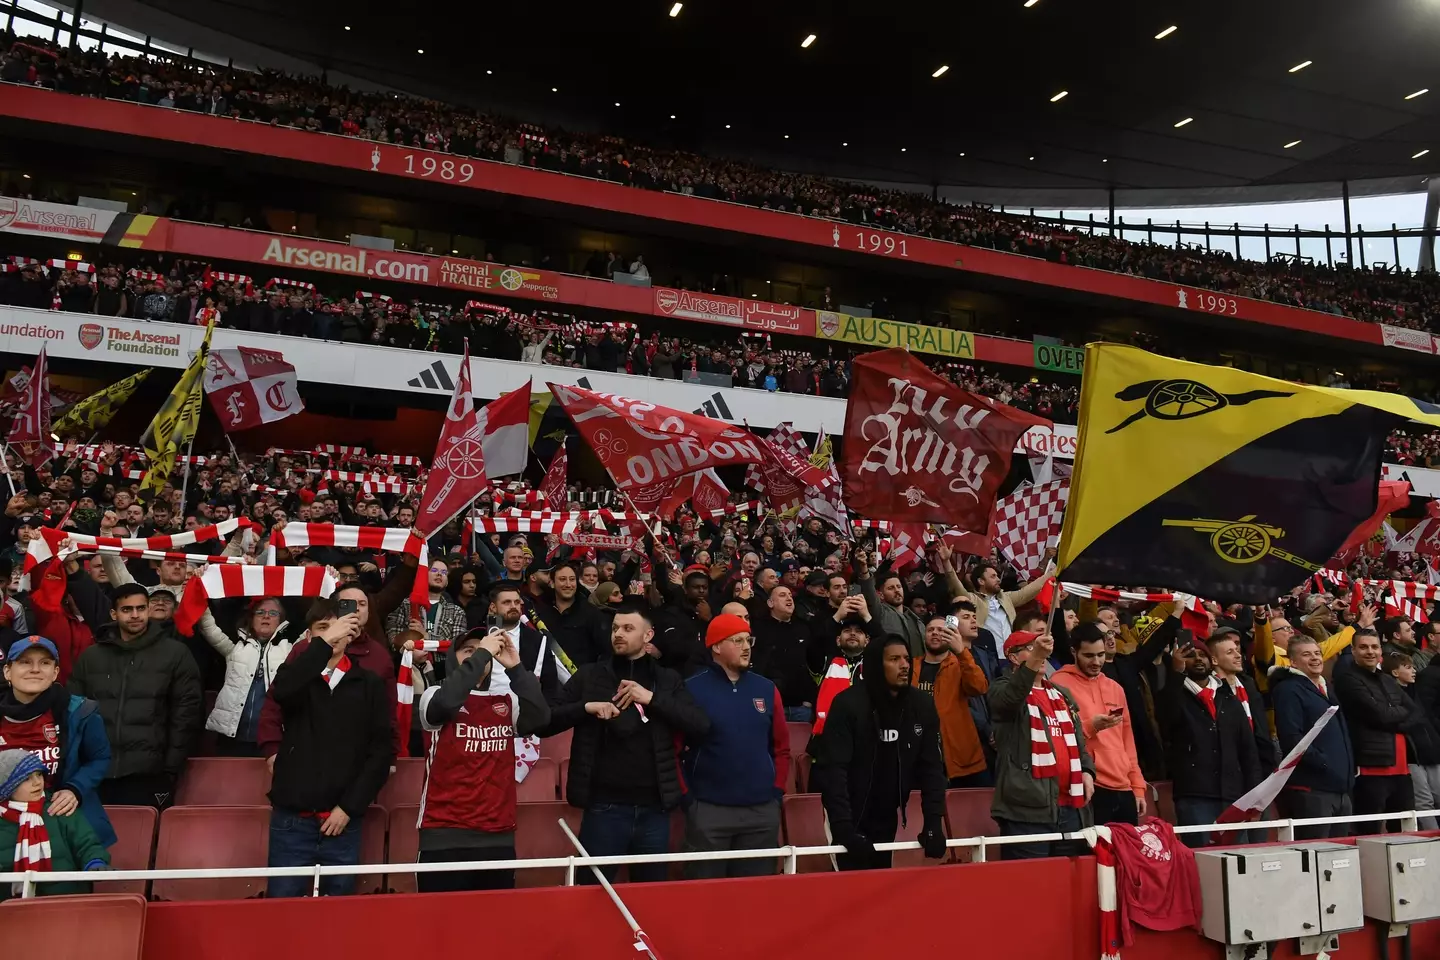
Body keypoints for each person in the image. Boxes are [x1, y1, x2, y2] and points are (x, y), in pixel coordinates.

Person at [537, 602, 710, 883]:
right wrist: (585, 707)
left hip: (655, 810)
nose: (618, 634)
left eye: (628, 628)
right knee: (590, 896)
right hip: (604, 809)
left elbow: (700, 725)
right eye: (616, 628)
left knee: (650, 899)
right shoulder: (590, 676)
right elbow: (544, 722)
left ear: (648, 636)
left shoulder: (667, 679)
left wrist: (652, 699)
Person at [265, 602, 393, 899]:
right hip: (292, 820)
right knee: (282, 908)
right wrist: (323, 644)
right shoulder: (295, 675)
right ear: (309, 638)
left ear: (351, 635)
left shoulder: (368, 683)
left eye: (339, 628)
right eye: (324, 629)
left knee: (338, 915)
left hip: (343, 820)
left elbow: (379, 752)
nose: (333, 635)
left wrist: (349, 808)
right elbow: (282, 692)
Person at [416, 626, 550, 891]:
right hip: (444, 834)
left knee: (493, 927)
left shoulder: (506, 701)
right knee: (440, 927)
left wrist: (515, 669)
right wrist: (483, 653)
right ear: (454, 659)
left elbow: (541, 719)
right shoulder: (434, 694)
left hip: (497, 834)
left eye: (485, 649)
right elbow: (445, 704)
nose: (480, 654)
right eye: (469, 650)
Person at [814, 634, 947, 870]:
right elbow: (834, 771)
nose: (905, 665)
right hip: (848, 813)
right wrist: (843, 829)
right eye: (894, 659)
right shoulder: (847, 704)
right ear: (876, 664)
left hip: (887, 814)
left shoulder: (921, 705)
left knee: (880, 887)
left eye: (906, 658)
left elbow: (932, 769)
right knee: (850, 890)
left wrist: (933, 823)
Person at [68, 583, 201, 808]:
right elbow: (73, 711)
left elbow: (187, 714)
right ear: (114, 613)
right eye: (127, 609)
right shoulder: (92, 656)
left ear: (149, 610)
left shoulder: (175, 653)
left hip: (150, 773)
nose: (135, 615)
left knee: (147, 840)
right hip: (95, 770)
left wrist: (171, 766)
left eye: (141, 608)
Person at [680, 614, 789, 879]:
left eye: (748, 640)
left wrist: (776, 792)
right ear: (716, 646)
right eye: (737, 640)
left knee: (757, 898)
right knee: (705, 896)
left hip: (761, 812)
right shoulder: (691, 689)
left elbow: (782, 747)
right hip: (709, 812)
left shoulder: (766, 688)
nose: (746, 646)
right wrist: (689, 799)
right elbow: (672, 749)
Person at [0, 636, 116, 848]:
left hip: (66, 823)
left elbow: (100, 758)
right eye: (25, 662)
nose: (35, 669)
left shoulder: (80, 712)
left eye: (45, 663)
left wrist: (75, 789)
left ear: (55, 672)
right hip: (5, 828)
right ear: (8, 671)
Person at [988, 630, 1095, 859]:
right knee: (1029, 886)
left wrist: (1087, 771)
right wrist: (1036, 656)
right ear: (1013, 657)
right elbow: (1011, 697)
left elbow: (1078, 744)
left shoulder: (1061, 694)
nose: (1042, 654)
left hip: (1071, 807)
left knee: (1066, 887)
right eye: (1030, 648)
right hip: (1026, 813)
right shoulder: (1000, 689)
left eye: (1043, 650)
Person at [1159, 636, 1262, 847]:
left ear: (1211, 661)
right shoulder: (1174, 694)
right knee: (1203, 861)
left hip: (1233, 795)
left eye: (1203, 655)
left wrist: (1254, 797)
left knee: (1236, 861)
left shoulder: (1228, 697)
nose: (1198, 659)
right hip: (1195, 795)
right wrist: (1176, 674)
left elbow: (1247, 750)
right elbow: (1165, 719)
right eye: (1190, 656)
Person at [1051, 624, 1146, 826]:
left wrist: (1137, 785)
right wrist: (1091, 726)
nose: (1096, 662)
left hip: (1124, 786)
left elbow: (1127, 741)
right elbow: (1057, 738)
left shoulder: (1115, 688)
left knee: (1126, 855)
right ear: (1073, 652)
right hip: (1089, 784)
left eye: (1101, 654)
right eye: (1089, 656)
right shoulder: (1059, 684)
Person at [1271, 633, 1356, 839]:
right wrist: (1324, 763)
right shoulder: (1288, 689)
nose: (1315, 658)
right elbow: (1291, 737)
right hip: (1313, 788)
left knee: (1341, 855)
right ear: (1293, 661)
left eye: (1317, 653)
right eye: (1307, 654)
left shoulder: (1325, 688)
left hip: (1340, 789)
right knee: (1317, 855)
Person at [1337, 627, 1421, 834]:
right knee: (1369, 832)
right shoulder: (1348, 679)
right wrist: (1394, 715)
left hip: (1402, 769)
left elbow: (1417, 713)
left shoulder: (1386, 679)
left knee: (1405, 832)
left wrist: (1391, 716)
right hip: (1371, 768)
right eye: (1363, 647)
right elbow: (1380, 714)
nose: (1370, 651)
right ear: (1353, 650)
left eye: (1374, 647)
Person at [0, 749, 109, 899]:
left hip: (65, 901)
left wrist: (94, 862)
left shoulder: (59, 808)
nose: (37, 782)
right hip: (10, 910)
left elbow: (87, 844)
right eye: (27, 778)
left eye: (39, 774)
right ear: (7, 786)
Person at [203, 598, 299, 757]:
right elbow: (208, 628)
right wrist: (197, 593)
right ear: (251, 618)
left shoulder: (289, 651)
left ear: (281, 621)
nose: (266, 616)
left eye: (273, 613)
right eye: (260, 612)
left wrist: (331, 586)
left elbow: (319, 629)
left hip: (272, 739)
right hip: (232, 737)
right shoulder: (235, 648)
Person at [911, 614, 990, 788]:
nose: (935, 633)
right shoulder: (911, 666)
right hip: (919, 754)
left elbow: (979, 687)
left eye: (941, 630)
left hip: (960, 755)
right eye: (930, 630)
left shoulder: (960, 663)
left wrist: (962, 651)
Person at [1384, 651, 1440, 831]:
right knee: (1424, 801)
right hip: (1412, 756)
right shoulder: (1391, 695)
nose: (1414, 671)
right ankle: (1433, 838)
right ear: (1394, 672)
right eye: (1408, 667)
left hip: (1431, 752)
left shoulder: (1418, 691)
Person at [750, 583, 817, 723]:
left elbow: (813, 664)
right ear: (770, 603)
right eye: (782, 595)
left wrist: (809, 699)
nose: (789, 598)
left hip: (801, 707)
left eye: (790, 595)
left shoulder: (803, 628)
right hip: (769, 706)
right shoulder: (758, 629)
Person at [965, 559, 1051, 662]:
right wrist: (947, 565)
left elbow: (1030, 590)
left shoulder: (1006, 598)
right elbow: (957, 588)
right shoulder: (971, 599)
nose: (998, 580)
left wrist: (1054, 572)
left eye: (997, 576)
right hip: (987, 659)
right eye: (993, 576)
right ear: (981, 581)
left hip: (1010, 658)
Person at [488, 583, 562, 703]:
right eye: (507, 602)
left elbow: (549, 686)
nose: (513, 606)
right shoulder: (478, 638)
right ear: (493, 607)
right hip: (485, 711)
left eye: (517, 602)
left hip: (526, 712)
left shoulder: (539, 640)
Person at [534, 561, 610, 665]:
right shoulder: (541, 614)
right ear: (552, 583)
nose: (568, 584)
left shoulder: (592, 613)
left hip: (584, 678)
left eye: (572, 579)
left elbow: (606, 652)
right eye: (562, 579)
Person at [385, 560, 468, 653]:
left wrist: (426, 635)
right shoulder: (405, 605)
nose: (439, 574)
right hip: (408, 663)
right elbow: (393, 639)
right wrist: (408, 646)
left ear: (447, 582)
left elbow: (457, 646)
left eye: (444, 572)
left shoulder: (457, 612)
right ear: (423, 575)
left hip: (442, 665)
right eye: (434, 570)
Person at [854, 549, 923, 658]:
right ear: (880, 595)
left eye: (899, 587)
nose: (896, 590)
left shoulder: (916, 619)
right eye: (891, 588)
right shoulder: (880, 612)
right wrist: (864, 570)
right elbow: (869, 592)